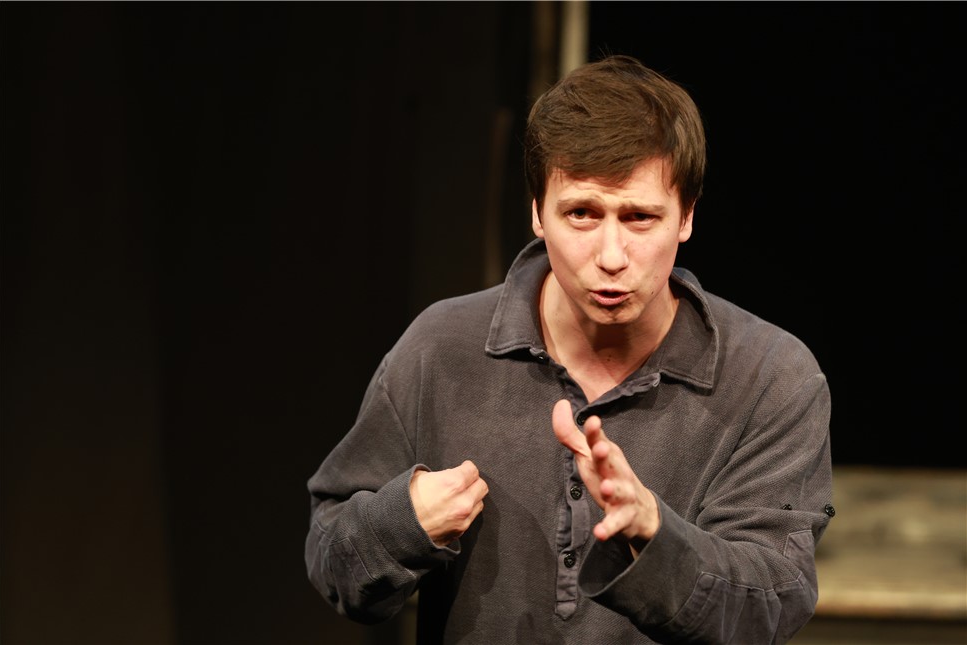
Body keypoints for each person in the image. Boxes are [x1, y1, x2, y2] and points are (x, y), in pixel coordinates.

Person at [304, 54, 833, 644]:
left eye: (640, 217)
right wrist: (404, 524)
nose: (611, 256)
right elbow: (333, 560)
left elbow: (772, 606)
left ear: (686, 217)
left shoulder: (770, 378)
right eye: (581, 213)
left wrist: (654, 535)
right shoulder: (442, 348)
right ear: (536, 212)